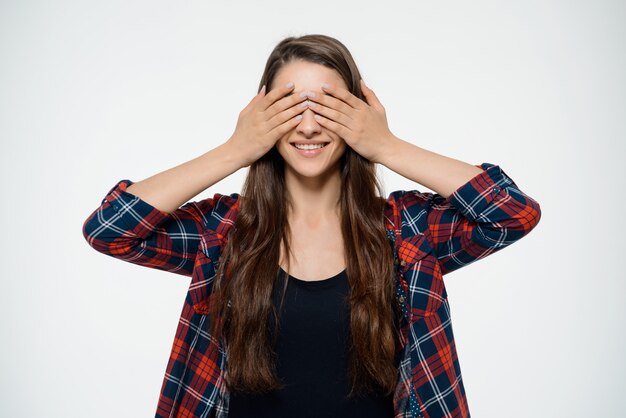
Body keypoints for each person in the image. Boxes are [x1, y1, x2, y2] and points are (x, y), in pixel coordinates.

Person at [82, 34, 542, 418]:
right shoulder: (222, 232)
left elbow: (512, 213)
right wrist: (235, 150)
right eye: (288, 107)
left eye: (328, 107)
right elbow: (109, 229)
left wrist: (386, 145)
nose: (307, 127)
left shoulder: (406, 232)